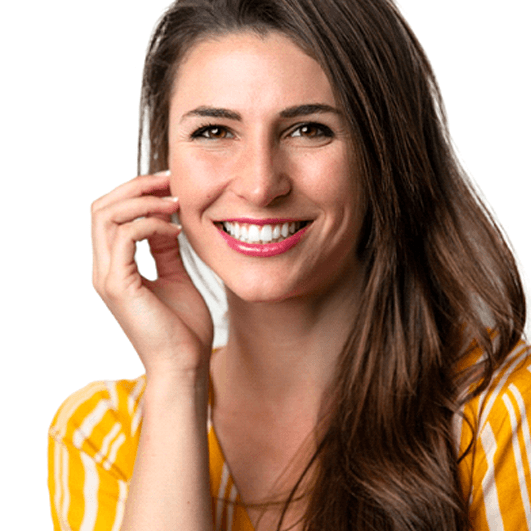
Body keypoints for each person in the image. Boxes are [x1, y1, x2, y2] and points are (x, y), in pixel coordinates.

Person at [48, 0, 530, 530]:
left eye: (309, 129)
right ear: (167, 161)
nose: (259, 185)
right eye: (214, 132)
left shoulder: (501, 413)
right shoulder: (102, 435)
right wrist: (176, 379)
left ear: (385, 153)